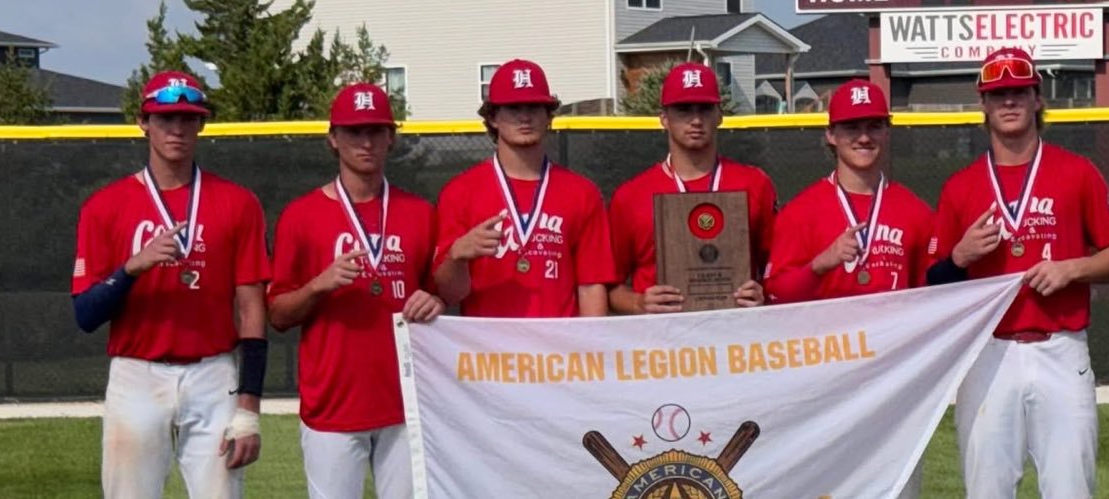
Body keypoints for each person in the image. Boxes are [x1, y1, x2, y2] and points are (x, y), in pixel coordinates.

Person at [923, 48, 1109, 498]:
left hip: (1061, 347)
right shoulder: (960, 186)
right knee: (987, 488)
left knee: (1072, 488)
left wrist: (1073, 269)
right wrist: (960, 256)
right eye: (998, 94)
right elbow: (932, 287)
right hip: (988, 354)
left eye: (1019, 91)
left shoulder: (1076, 172)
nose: (1009, 102)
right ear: (983, 103)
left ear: (1038, 98)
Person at [71, 70, 268, 498]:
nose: (177, 129)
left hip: (213, 372)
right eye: (165, 118)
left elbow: (252, 308)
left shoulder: (238, 202)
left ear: (201, 124)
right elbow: (85, 315)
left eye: (188, 118)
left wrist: (249, 407)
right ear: (143, 122)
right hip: (137, 373)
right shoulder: (105, 206)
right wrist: (132, 268)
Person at [267, 83, 444, 498]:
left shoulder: (420, 212)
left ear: (390, 138)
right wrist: (318, 286)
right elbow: (278, 314)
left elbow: (441, 293)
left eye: (376, 131)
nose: (366, 142)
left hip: (406, 403)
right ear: (333, 138)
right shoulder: (301, 216)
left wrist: (436, 300)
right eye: (354, 131)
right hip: (333, 405)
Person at [434, 59, 616, 317]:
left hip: (558, 342)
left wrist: (592, 342)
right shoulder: (460, 192)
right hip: (488, 343)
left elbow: (591, 286)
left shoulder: (582, 192)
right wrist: (457, 256)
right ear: (493, 117)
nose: (524, 116)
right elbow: (450, 295)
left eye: (534, 106)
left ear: (548, 116)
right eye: (513, 107)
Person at [608, 62, 774, 313]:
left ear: (719, 116)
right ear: (664, 118)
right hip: (662, 334)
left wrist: (764, 294)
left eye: (705, 109)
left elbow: (778, 271)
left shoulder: (754, 183)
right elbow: (610, 287)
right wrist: (638, 303)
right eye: (683, 109)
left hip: (736, 331)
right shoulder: (630, 196)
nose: (696, 120)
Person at [763, 78, 932, 303]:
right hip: (828, 327)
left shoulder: (916, 212)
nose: (864, 138)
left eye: (874, 126)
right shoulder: (800, 212)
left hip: (896, 326)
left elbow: (931, 296)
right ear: (831, 135)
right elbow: (775, 295)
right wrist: (819, 266)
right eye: (852, 127)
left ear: (887, 132)